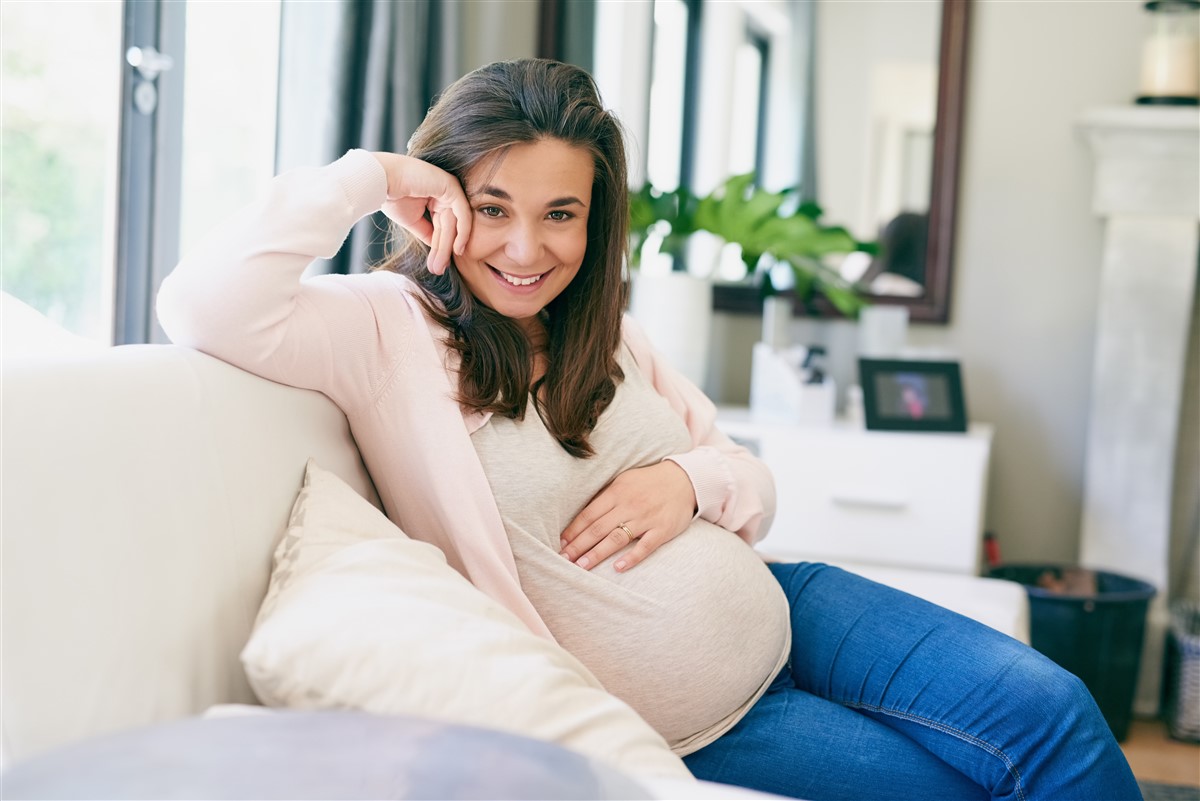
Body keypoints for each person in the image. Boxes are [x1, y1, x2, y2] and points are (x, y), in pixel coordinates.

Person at [157, 58, 1142, 801]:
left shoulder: (606, 330)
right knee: (976, 788)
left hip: (794, 607)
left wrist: (688, 485)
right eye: (492, 207)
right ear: (440, 201)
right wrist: (373, 175)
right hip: (692, 725)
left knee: (1057, 715)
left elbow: (747, 480)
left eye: (561, 214)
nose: (526, 248)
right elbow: (202, 304)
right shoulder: (387, 331)